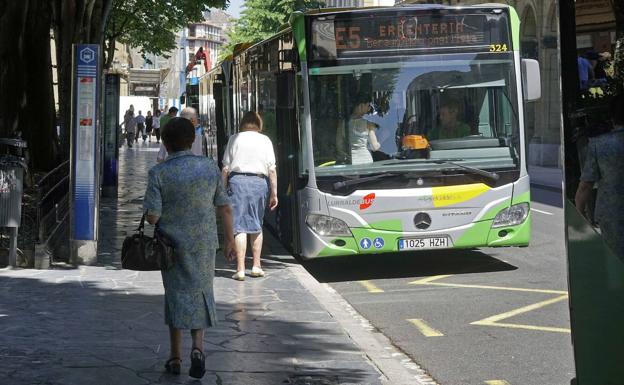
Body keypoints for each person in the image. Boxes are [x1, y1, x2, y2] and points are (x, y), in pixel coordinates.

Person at [143, 117, 236, 378]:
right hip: (204, 244)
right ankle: (197, 348)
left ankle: (174, 357)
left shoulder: (158, 173)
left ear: (165, 143)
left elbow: (152, 216)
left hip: (171, 246)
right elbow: (225, 206)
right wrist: (230, 240)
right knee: (202, 291)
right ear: (192, 140)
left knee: (175, 295)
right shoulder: (208, 167)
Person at [221, 111, 278, 281]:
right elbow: (272, 169)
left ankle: (239, 268)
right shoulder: (265, 140)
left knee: (238, 226)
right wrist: (274, 193)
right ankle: (256, 265)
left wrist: (221, 190)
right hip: (258, 183)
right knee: (256, 223)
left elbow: (225, 169)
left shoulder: (234, 138)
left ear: (243, 123)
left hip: (237, 182)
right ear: (258, 124)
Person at [575, 94, 624, 261]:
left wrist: (579, 213)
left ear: (612, 117)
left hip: (612, 215)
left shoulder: (599, 144)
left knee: (614, 262)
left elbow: (585, 186)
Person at [344, 98, 381, 165]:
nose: (369, 109)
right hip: (365, 161)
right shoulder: (369, 124)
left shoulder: (343, 124)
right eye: (368, 106)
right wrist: (381, 143)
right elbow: (374, 147)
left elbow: (339, 145)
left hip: (351, 161)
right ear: (361, 106)